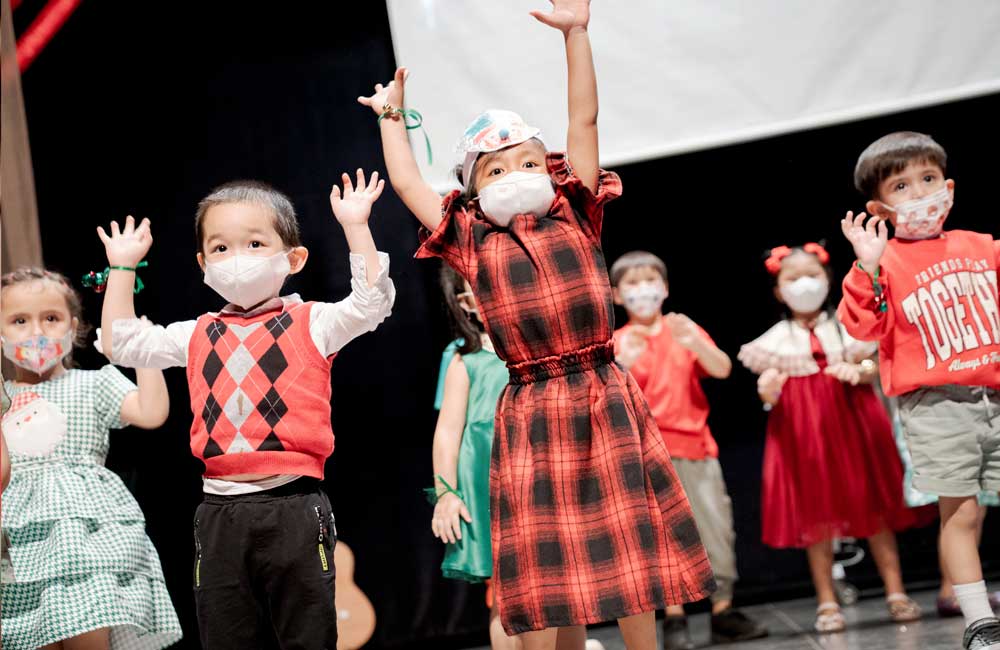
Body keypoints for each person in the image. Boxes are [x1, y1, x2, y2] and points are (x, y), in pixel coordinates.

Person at [359, 1, 714, 647]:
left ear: (547, 168)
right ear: (472, 190)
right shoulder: (471, 239)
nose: (513, 176)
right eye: (494, 170)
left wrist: (576, 35)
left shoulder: (576, 210)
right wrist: (390, 116)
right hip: (533, 406)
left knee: (630, 551)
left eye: (525, 162)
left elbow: (584, 119)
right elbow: (408, 183)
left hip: (603, 393)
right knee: (558, 567)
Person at [96, 173, 395, 649]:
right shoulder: (196, 333)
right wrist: (122, 268)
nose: (237, 258)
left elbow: (371, 304)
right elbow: (121, 343)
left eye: (255, 243)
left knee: (308, 638)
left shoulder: (312, 322)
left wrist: (356, 226)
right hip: (219, 512)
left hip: (295, 506)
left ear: (293, 258)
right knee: (226, 638)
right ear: (202, 264)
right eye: (220, 248)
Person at [838, 131, 1000, 650]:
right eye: (901, 186)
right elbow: (861, 326)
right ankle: (980, 622)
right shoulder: (882, 264)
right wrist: (867, 265)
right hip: (936, 404)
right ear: (879, 208)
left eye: (928, 179)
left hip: (994, 395)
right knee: (962, 511)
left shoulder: (982, 247)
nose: (920, 193)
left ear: (948, 187)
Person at [739, 243, 931, 633]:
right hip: (803, 429)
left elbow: (875, 362)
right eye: (793, 278)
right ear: (778, 291)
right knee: (816, 513)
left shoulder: (848, 326)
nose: (804, 284)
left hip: (853, 418)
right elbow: (768, 395)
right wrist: (768, 390)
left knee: (873, 503)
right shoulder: (774, 342)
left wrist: (861, 370)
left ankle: (895, 591)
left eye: (811, 275)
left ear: (828, 279)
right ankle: (826, 599)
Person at [0, 267, 181, 650]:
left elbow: (151, 412)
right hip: (20, 545)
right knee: (28, 636)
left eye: (51, 318)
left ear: (73, 326)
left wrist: (144, 352)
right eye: (19, 321)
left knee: (89, 637)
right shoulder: (2, 399)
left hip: (85, 541)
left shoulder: (95, 382)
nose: (36, 331)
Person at [611, 251, 767, 649]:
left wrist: (694, 340)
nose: (643, 290)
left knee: (715, 527)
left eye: (650, 281)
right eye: (632, 283)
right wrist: (623, 362)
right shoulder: (618, 342)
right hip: (645, 455)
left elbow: (722, 368)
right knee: (661, 537)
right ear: (616, 294)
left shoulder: (682, 327)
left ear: (665, 288)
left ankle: (722, 611)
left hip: (695, 446)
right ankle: (674, 617)